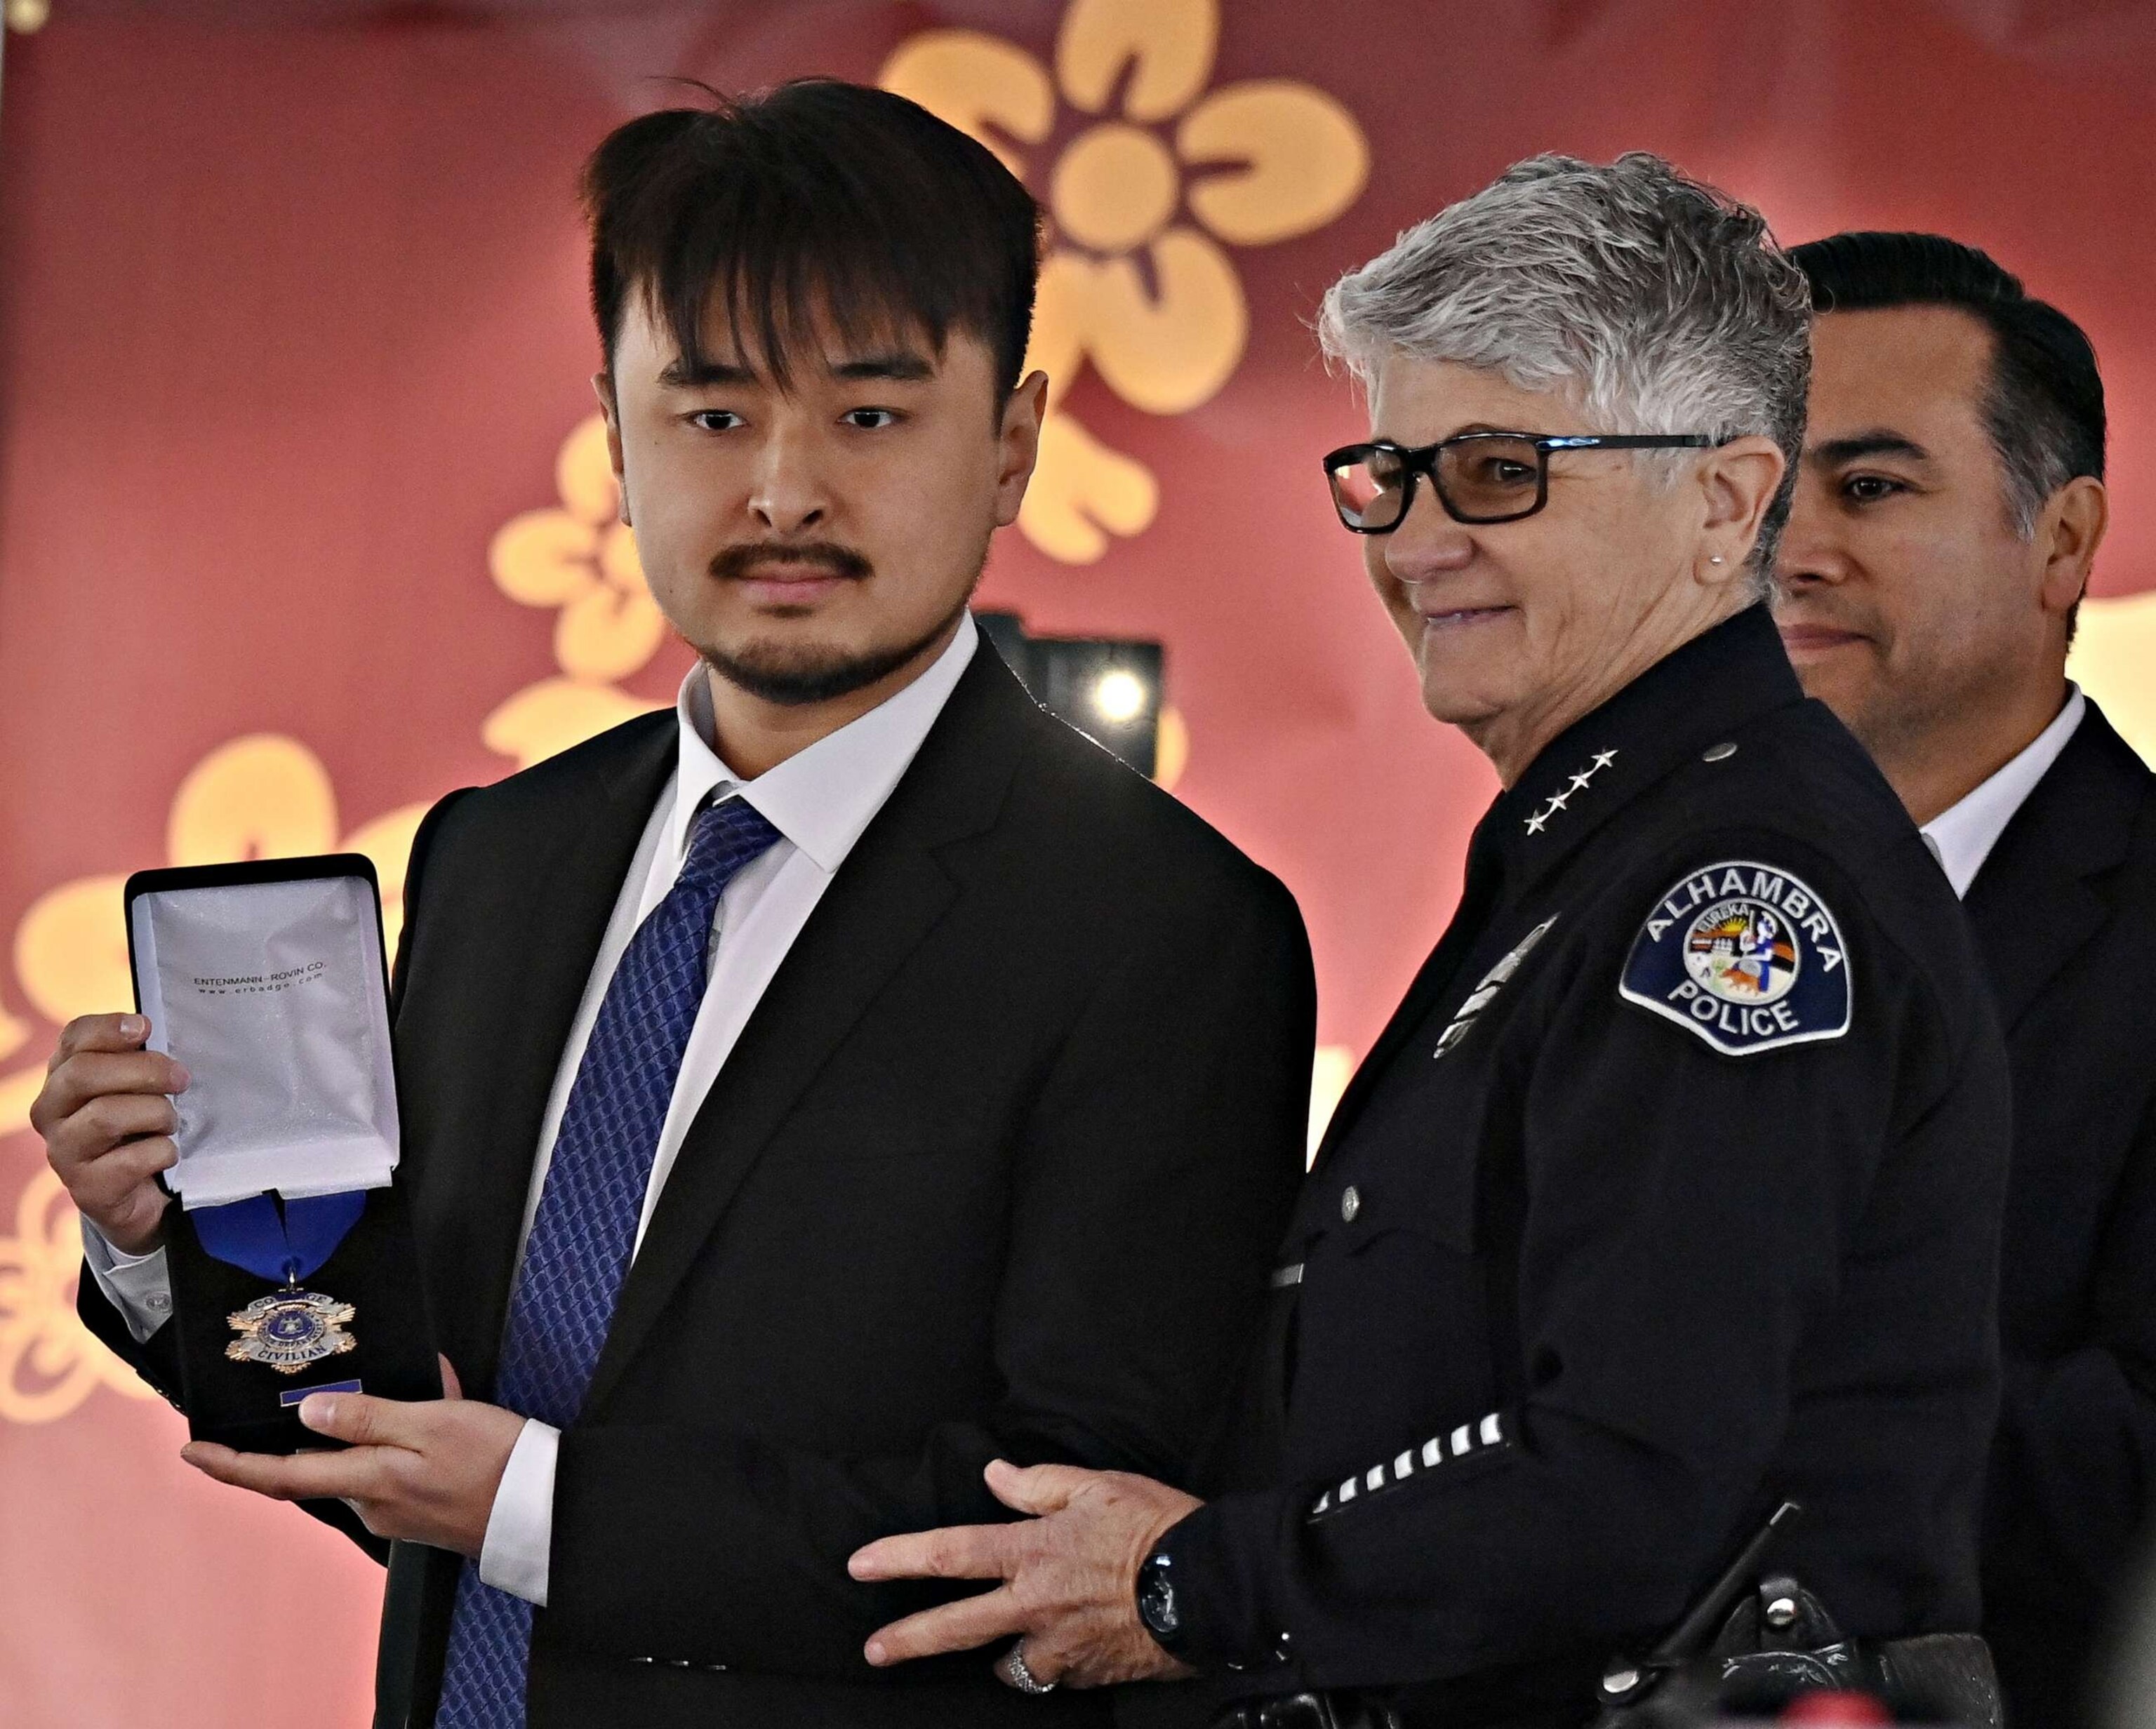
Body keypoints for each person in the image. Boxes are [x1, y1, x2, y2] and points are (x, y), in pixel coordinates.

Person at [35, 81, 1316, 1729]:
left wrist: (528, 1504)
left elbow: (1053, 1535)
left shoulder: (1166, 927)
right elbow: (400, 1400)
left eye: (869, 417)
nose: (783, 491)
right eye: (712, 416)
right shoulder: (500, 855)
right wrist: (159, 1245)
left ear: (1011, 444)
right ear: (615, 438)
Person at [847, 155, 2014, 1729]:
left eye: (1495, 472)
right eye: (1386, 475)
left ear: (1727, 500)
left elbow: (1626, 1476)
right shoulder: (1598, 848)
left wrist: (1192, 1584)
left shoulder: (1735, 886)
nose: (1413, 543)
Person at [1774, 230, 2155, 1727]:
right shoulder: (1598, 900)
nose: (1790, 549)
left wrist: (1661, 1413)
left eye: (1869, 488)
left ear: (2063, 540)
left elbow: (2127, 1460)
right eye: (1749, 487)